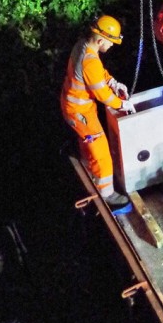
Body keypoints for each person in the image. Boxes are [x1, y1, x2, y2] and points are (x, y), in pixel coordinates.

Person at [60, 15, 134, 209]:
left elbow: (98, 75)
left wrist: (112, 82)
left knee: (88, 144)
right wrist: (121, 104)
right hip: (80, 112)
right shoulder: (89, 61)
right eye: (111, 43)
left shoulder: (84, 46)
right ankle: (107, 193)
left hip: (77, 108)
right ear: (100, 40)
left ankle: (90, 170)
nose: (111, 47)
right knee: (100, 150)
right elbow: (103, 95)